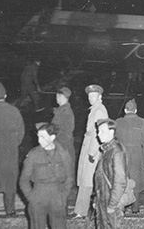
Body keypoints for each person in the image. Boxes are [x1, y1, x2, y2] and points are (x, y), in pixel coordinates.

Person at [19, 123, 74, 229]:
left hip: (57, 195)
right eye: (38, 137)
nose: (39, 140)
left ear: (52, 137)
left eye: (43, 137)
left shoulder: (63, 153)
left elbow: (69, 177)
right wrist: (31, 197)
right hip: (38, 194)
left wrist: (63, 196)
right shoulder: (33, 154)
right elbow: (23, 180)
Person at [73, 84, 109, 219]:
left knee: (87, 181)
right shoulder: (94, 110)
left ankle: (81, 211)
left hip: (92, 149)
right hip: (89, 147)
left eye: (93, 95)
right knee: (86, 180)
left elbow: (99, 132)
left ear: (100, 97)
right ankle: (83, 210)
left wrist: (92, 152)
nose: (90, 98)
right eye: (89, 96)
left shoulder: (99, 111)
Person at [115, 98, 144, 214]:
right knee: (136, 181)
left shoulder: (118, 122)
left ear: (125, 110)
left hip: (122, 154)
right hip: (137, 154)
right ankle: (135, 207)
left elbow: (115, 140)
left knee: (122, 180)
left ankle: (122, 207)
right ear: (136, 110)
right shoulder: (142, 122)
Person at [0, 82, 25, 217]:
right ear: (5, 96)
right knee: (10, 182)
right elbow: (21, 131)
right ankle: (10, 210)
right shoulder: (14, 111)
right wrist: (14, 144)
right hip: (10, 154)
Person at [93, 118, 128, 229]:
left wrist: (112, 205)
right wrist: (96, 200)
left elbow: (120, 181)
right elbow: (100, 177)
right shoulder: (106, 149)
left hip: (111, 203)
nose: (98, 135)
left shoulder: (117, 151)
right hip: (103, 200)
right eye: (98, 131)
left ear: (111, 132)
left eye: (102, 131)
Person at [51, 86, 76, 175]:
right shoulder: (62, 110)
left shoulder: (66, 112)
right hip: (61, 146)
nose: (56, 98)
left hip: (63, 147)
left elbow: (66, 132)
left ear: (62, 97)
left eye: (57, 96)